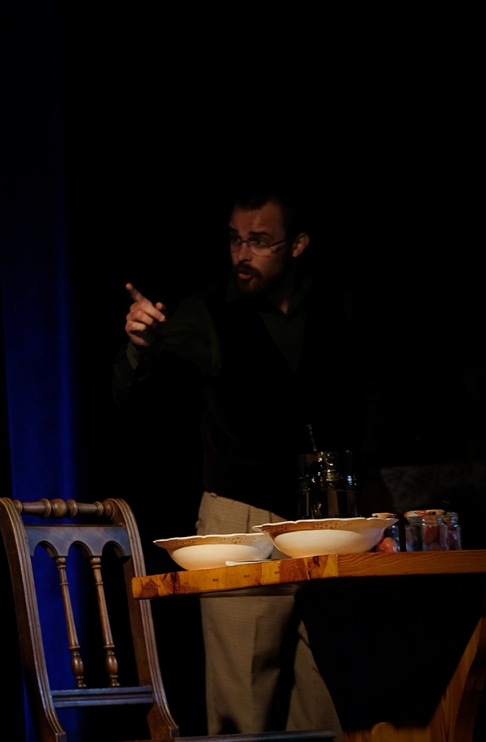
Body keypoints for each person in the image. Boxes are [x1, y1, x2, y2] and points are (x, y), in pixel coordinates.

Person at [114, 192, 367, 738]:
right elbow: (140, 392)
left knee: (324, 704)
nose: (242, 254)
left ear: (297, 245)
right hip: (242, 517)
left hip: (323, 522)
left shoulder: (334, 305)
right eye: (235, 239)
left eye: (259, 241)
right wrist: (143, 346)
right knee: (246, 704)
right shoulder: (207, 312)